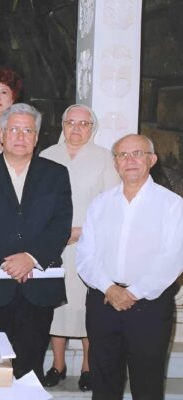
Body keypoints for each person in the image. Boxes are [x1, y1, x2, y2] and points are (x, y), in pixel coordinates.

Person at [0, 103, 72, 380]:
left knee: (28, 370)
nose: (20, 136)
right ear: (2, 133)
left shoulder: (56, 174)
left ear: (36, 137)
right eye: (14, 129)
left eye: (28, 130)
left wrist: (31, 258)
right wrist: (8, 262)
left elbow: (61, 225)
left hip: (38, 287)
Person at [77, 134, 183, 400]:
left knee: (146, 384)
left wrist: (133, 292)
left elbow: (173, 258)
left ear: (152, 160)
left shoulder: (172, 205)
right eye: (123, 155)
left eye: (137, 153)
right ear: (115, 164)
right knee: (103, 382)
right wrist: (110, 289)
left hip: (149, 306)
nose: (130, 160)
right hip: (103, 303)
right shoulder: (100, 204)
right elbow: (86, 256)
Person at [40, 104, 120, 391]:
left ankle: (88, 366)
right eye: (70, 122)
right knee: (56, 303)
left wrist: (82, 231)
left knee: (87, 307)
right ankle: (57, 365)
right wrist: (55, 233)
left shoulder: (104, 158)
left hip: (89, 244)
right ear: (62, 125)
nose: (76, 128)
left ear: (92, 127)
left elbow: (111, 203)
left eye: (83, 123)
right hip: (52, 243)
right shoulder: (47, 155)